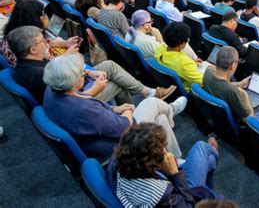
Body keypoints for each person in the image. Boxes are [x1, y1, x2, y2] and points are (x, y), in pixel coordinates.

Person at [42, 53, 186, 161]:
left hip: (96, 136)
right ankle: (170, 109)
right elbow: (125, 127)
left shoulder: (52, 89)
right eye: (82, 74)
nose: (85, 74)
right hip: (114, 150)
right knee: (151, 103)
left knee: (160, 118)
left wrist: (114, 109)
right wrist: (128, 110)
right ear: (73, 84)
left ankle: (174, 159)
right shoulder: (83, 109)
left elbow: (84, 100)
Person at [8, 25, 176, 105]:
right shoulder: (37, 75)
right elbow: (66, 100)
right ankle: (132, 116)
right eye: (42, 41)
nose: (47, 42)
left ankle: (149, 93)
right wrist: (93, 89)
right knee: (119, 82)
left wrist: (89, 74)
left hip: (76, 83)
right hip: (79, 98)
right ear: (33, 48)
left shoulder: (28, 62)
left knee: (109, 65)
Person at [108, 123, 220, 206]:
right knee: (201, 147)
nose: (168, 153)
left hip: (162, 185)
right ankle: (213, 151)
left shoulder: (120, 158)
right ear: (152, 164)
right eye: (163, 149)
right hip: (183, 196)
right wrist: (174, 173)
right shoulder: (161, 195)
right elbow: (188, 205)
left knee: (209, 160)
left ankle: (207, 191)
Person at [1, 0, 79, 67]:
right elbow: (53, 66)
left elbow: (45, 43)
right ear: (33, 19)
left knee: (59, 40)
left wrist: (65, 43)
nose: (44, 16)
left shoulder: (13, 33)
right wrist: (69, 52)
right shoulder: (32, 45)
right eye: (42, 14)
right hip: (50, 72)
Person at [203, 46, 254, 121]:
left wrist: (239, 84)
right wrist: (245, 96)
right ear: (233, 65)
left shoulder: (208, 70)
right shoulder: (233, 92)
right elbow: (250, 118)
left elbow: (220, 85)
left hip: (211, 115)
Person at [126, 9, 197, 60]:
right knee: (182, 41)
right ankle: (195, 59)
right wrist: (159, 37)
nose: (151, 23)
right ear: (145, 25)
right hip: (163, 61)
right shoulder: (149, 42)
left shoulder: (129, 33)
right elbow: (168, 53)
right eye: (150, 21)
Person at [155, 22, 203, 91]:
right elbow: (202, 81)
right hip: (188, 91)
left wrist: (193, 63)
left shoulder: (160, 49)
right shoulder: (184, 62)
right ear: (181, 44)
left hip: (169, 86)